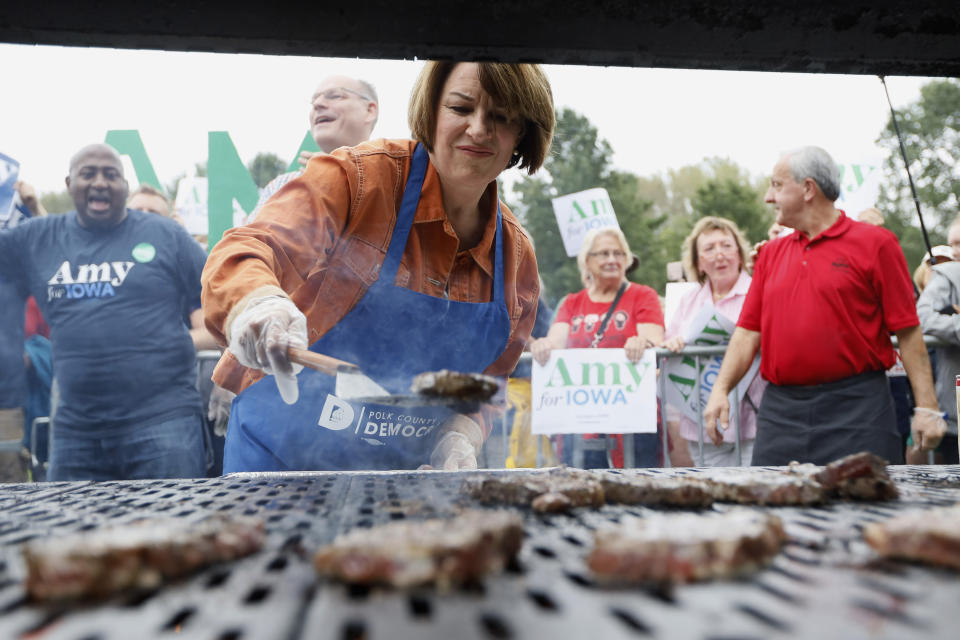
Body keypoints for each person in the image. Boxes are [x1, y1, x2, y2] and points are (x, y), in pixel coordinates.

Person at [201, 61, 555, 472]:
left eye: (500, 117)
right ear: (431, 112)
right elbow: (249, 246)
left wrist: (461, 436)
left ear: (523, 135)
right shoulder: (360, 179)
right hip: (278, 461)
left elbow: (487, 384)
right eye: (461, 109)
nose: (478, 129)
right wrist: (258, 306)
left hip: (403, 485)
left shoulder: (517, 260)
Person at [703, 146, 945, 466]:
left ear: (807, 189)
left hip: (859, 410)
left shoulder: (877, 244)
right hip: (780, 414)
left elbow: (909, 331)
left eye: (776, 185)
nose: (768, 197)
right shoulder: (770, 256)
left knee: (868, 512)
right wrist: (720, 389)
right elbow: (747, 332)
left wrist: (926, 407)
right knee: (773, 511)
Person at [0, 144, 210, 480]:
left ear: (125, 187)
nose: (100, 182)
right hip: (76, 431)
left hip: (163, 424)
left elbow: (220, 305)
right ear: (69, 185)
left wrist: (183, 340)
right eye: (89, 174)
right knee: (75, 532)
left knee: (172, 532)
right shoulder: (36, 239)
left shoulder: (166, 234)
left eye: (111, 175)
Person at [530, 228, 664, 468]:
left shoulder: (643, 296)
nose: (612, 259)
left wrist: (643, 342)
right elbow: (555, 341)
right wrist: (543, 346)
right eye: (603, 254)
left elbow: (654, 338)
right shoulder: (573, 302)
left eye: (618, 253)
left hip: (634, 421)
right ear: (587, 261)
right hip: (581, 424)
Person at [662, 217, 767, 466]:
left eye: (726, 246)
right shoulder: (688, 301)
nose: (719, 255)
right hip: (702, 429)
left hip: (753, 422)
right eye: (709, 249)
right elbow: (667, 345)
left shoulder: (760, 292)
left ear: (740, 255)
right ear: (698, 263)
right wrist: (673, 345)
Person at [252, 75, 379, 216]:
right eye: (313, 101)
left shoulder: (396, 181)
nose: (318, 104)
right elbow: (250, 236)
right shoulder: (282, 186)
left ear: (370, 110)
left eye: (334, 96)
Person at [915, 241, 960, 464]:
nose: (955, 251)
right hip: (949, 409)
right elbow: (924, 318)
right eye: (954, 244)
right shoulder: (942, 288)